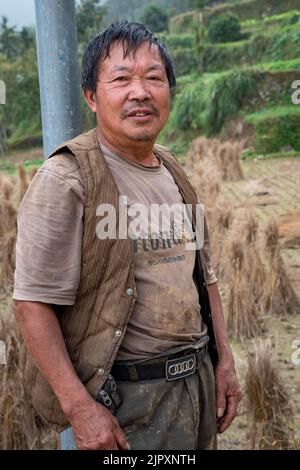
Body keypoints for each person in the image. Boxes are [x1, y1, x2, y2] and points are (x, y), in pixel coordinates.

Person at [13, 21, 241, 450]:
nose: (141, 92)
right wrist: (81, 409)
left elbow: (204, 276)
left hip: (197, 383)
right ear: (91, 97)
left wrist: (224, 361)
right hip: (128, 402)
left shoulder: (172, 167)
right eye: (121, 79)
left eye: (154, 77)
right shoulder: (67, 178)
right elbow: (31, 304)